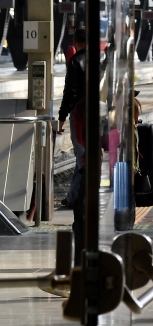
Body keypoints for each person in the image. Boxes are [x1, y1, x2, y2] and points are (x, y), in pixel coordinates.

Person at [57, 27, 88, 207]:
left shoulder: (75, 61)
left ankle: (75, 196)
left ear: (75, 42)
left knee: (82, 156)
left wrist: (61, 117)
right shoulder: (101, 60)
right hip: (99, 113)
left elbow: (70, 92)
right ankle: (75, 195)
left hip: (79, 115)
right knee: (89, 155)